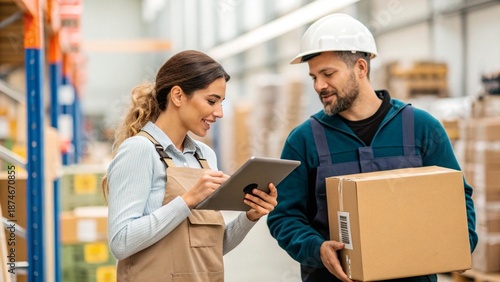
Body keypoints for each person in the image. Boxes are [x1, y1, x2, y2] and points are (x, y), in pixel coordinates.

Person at [267, 13, 478, 282]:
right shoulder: (303, 140)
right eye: (314, 77)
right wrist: (316, 248)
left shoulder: (422, 127)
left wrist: (461, 243)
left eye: (328, 73)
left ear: (360, 68)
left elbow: (457, 197)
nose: (319, 85)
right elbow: (284, 216)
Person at [102, 50, 278, 281]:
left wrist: (250, 216)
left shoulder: (204, 157)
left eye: (221, 103)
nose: (219, 112)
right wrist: (187, 200)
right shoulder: (139, 150)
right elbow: (121, 243)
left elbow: (212, 247)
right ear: (177, 96)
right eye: (211, 101)